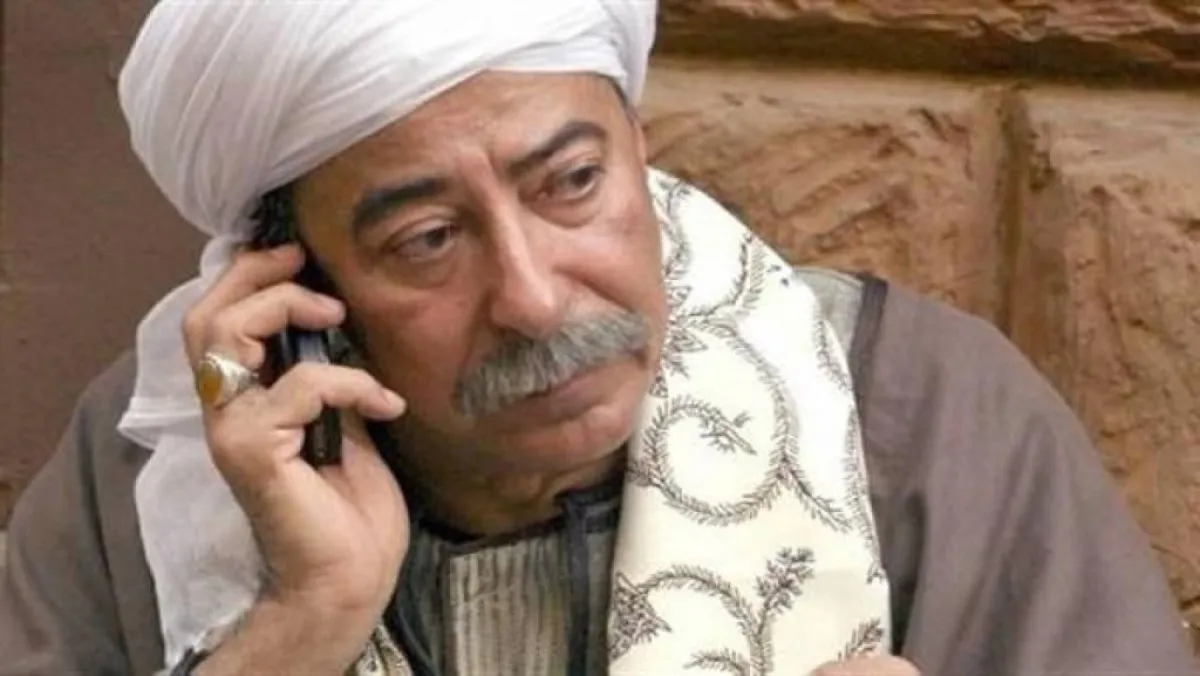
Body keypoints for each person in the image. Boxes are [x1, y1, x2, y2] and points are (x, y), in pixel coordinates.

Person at [1, 1, 1195, 675]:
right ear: (306, 283)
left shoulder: (927, 415)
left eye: (572, 183)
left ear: (639, 149)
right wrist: (302, 617)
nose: (532, 296)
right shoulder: (152, 475)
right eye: (427, 238)